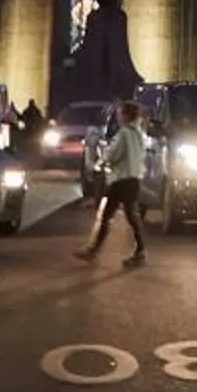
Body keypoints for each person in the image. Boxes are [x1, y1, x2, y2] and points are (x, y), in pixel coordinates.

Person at [79, 97, 150, 268]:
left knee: (106, 216)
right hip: (134, 179)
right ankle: (140, 251)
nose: (118, 117)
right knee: (132, 216)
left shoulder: (124, 133)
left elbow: (113, 153)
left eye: (120, 113)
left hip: (121, 180)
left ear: (125, 115)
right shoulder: (140, 134)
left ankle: (93, 251)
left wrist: (100, 163)